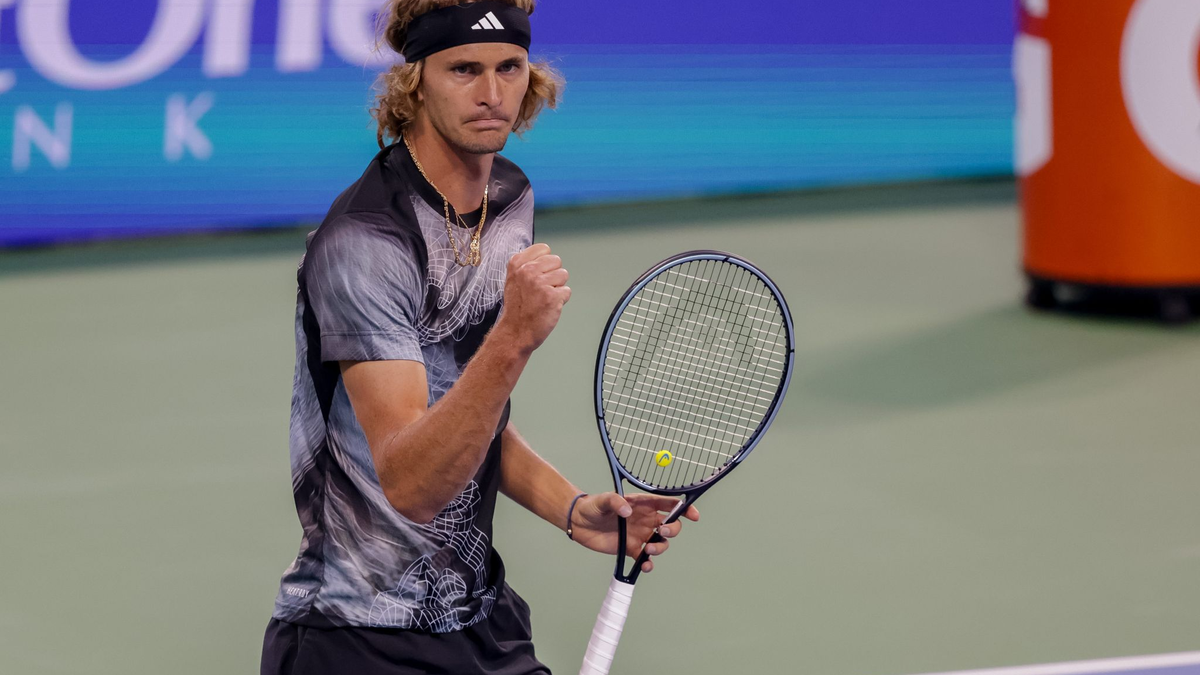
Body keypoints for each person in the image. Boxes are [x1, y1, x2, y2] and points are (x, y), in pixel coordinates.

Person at [260, 1, 699, 672]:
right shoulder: (365, 242)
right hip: (357, 640)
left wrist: (574, 510)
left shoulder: (507, 197)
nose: (492, 94)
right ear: (415, 84)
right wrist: (515, 337)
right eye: (464, 69)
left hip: (477, 620)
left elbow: (463, 410)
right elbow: (412, 483)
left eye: (510, 68)